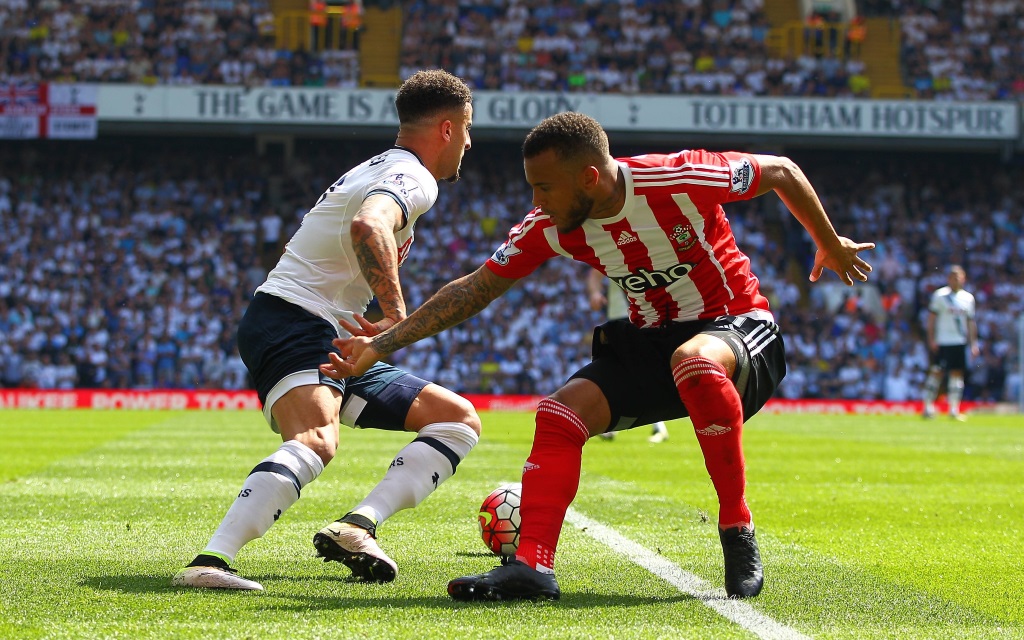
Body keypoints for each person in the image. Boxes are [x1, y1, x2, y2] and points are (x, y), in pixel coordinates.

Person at [322, 112, 874, 601]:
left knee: (696, 361)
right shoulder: (553, 226)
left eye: (545, 188)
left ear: (589, 176)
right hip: (652, 342)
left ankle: (736, 527)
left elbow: (778, 169)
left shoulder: (679, 176)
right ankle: (531, 568)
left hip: (736, 327)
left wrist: (828, 240)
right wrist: (382, 343)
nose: (537, 202)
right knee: (558, 415)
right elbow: (475, 288)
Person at [172, 70, 482, 591]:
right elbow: (369, 224)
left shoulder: (381, 164)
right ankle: (211, 562)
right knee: (316, 439)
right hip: (297, 317)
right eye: (468, 130)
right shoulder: (415, 176)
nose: (470, 144)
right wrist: (395, 313)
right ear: (448, 129)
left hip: (328, 332)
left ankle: (356, 528)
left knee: (455, 420)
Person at [586, 269, 669, 443]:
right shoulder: (612, 249)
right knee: (615, 371)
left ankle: (658, 426)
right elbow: (595, 274)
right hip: (618, 316)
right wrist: (595, 293)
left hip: (644, 314)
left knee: (644, 370)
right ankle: (613, 425)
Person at [921, 264, 978, 421]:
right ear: (948, 279)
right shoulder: (940, 296)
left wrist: (973, 343)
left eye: (958, 276)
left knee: (957, 374)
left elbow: (970, 322)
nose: (956, 279)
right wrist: (931, 339)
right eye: (953, 277)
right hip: (943, 341)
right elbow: (931, 320)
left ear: (963, 278)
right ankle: (927, 406)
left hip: (959, 341)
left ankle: (954, 409)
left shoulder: (968, 298)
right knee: (937, 372)